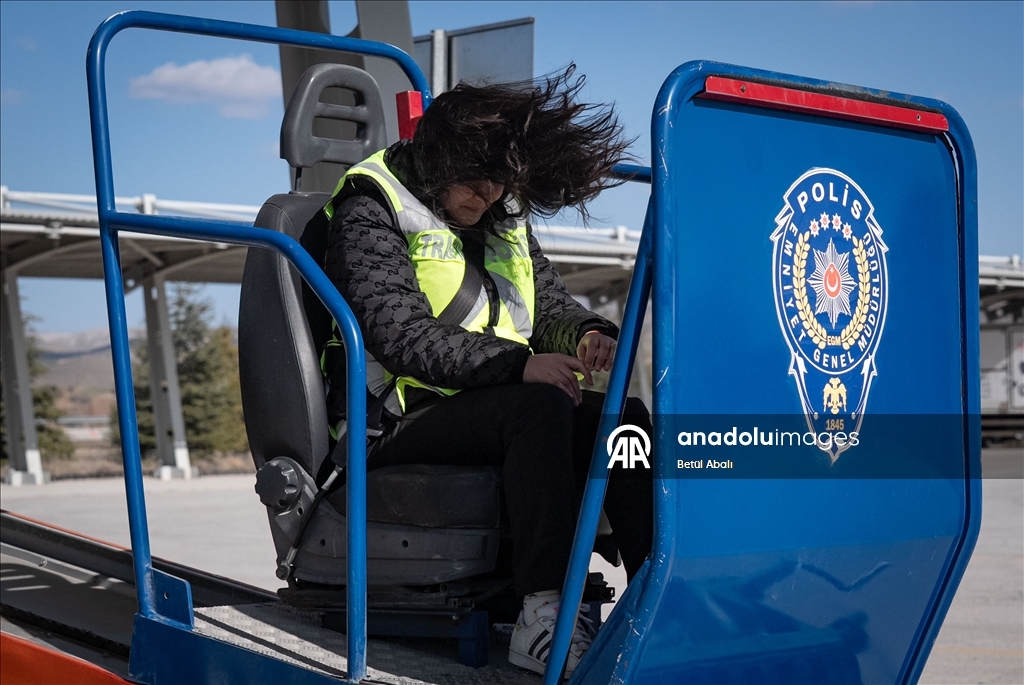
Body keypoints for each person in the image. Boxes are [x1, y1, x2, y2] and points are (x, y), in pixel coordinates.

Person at [322, 66, 653, 676]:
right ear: (438, 160)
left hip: (492, 401)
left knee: (623, 418)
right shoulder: (372, 204)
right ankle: (544, 615)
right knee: (540, 406)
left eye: (498, 185)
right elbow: (400, 336)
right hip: (400, 417)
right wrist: (520, 366)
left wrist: (585, 333)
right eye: (474, 184)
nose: (487, 197)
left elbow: (546, 304)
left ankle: (656, 594)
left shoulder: (501, 214)